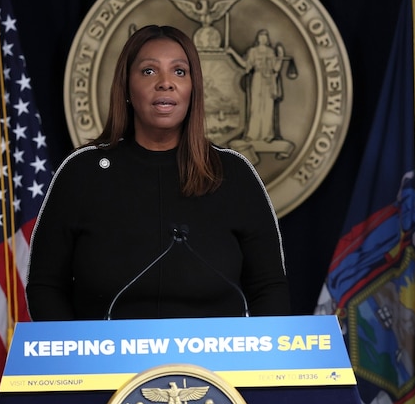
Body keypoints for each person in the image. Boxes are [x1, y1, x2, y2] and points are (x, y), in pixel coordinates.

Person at [27, 24, 289, 320]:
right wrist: (75, 358)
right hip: (103, 362)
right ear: (126, 87)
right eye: (149, 71)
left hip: (216, 364)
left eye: (179, 72)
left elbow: (269, 287)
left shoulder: (233, 173)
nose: (165, 83)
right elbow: (46, 285)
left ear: (194, 87)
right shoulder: (81, 173)